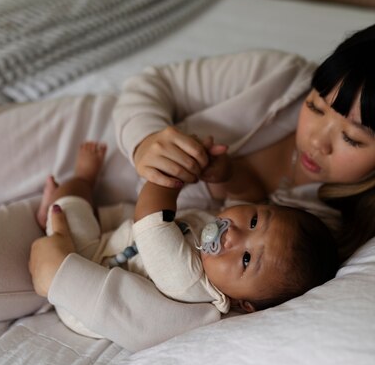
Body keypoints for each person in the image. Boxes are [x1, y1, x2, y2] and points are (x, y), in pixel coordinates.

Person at [0, 19, 375, 351]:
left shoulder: (321, 233)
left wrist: (66, 269)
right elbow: (151, 84)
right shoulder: (277, 78)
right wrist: (146, 138)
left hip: (100, 231)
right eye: (315, 108)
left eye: (352, 138)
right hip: (86, 139)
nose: (316, 141)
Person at [38, 141, 337, 338]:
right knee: (109, 214)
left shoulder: (190, 281)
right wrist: (224, 173)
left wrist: (175, 175)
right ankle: (61, 215)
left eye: (246, 260)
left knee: (69, 207)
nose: (234, 234)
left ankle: (81, 181)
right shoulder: (221, 253)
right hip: (119, 242)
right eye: (256, 220)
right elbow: (251, 196)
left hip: (86, 275)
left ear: (244, 304)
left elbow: (150, 220)